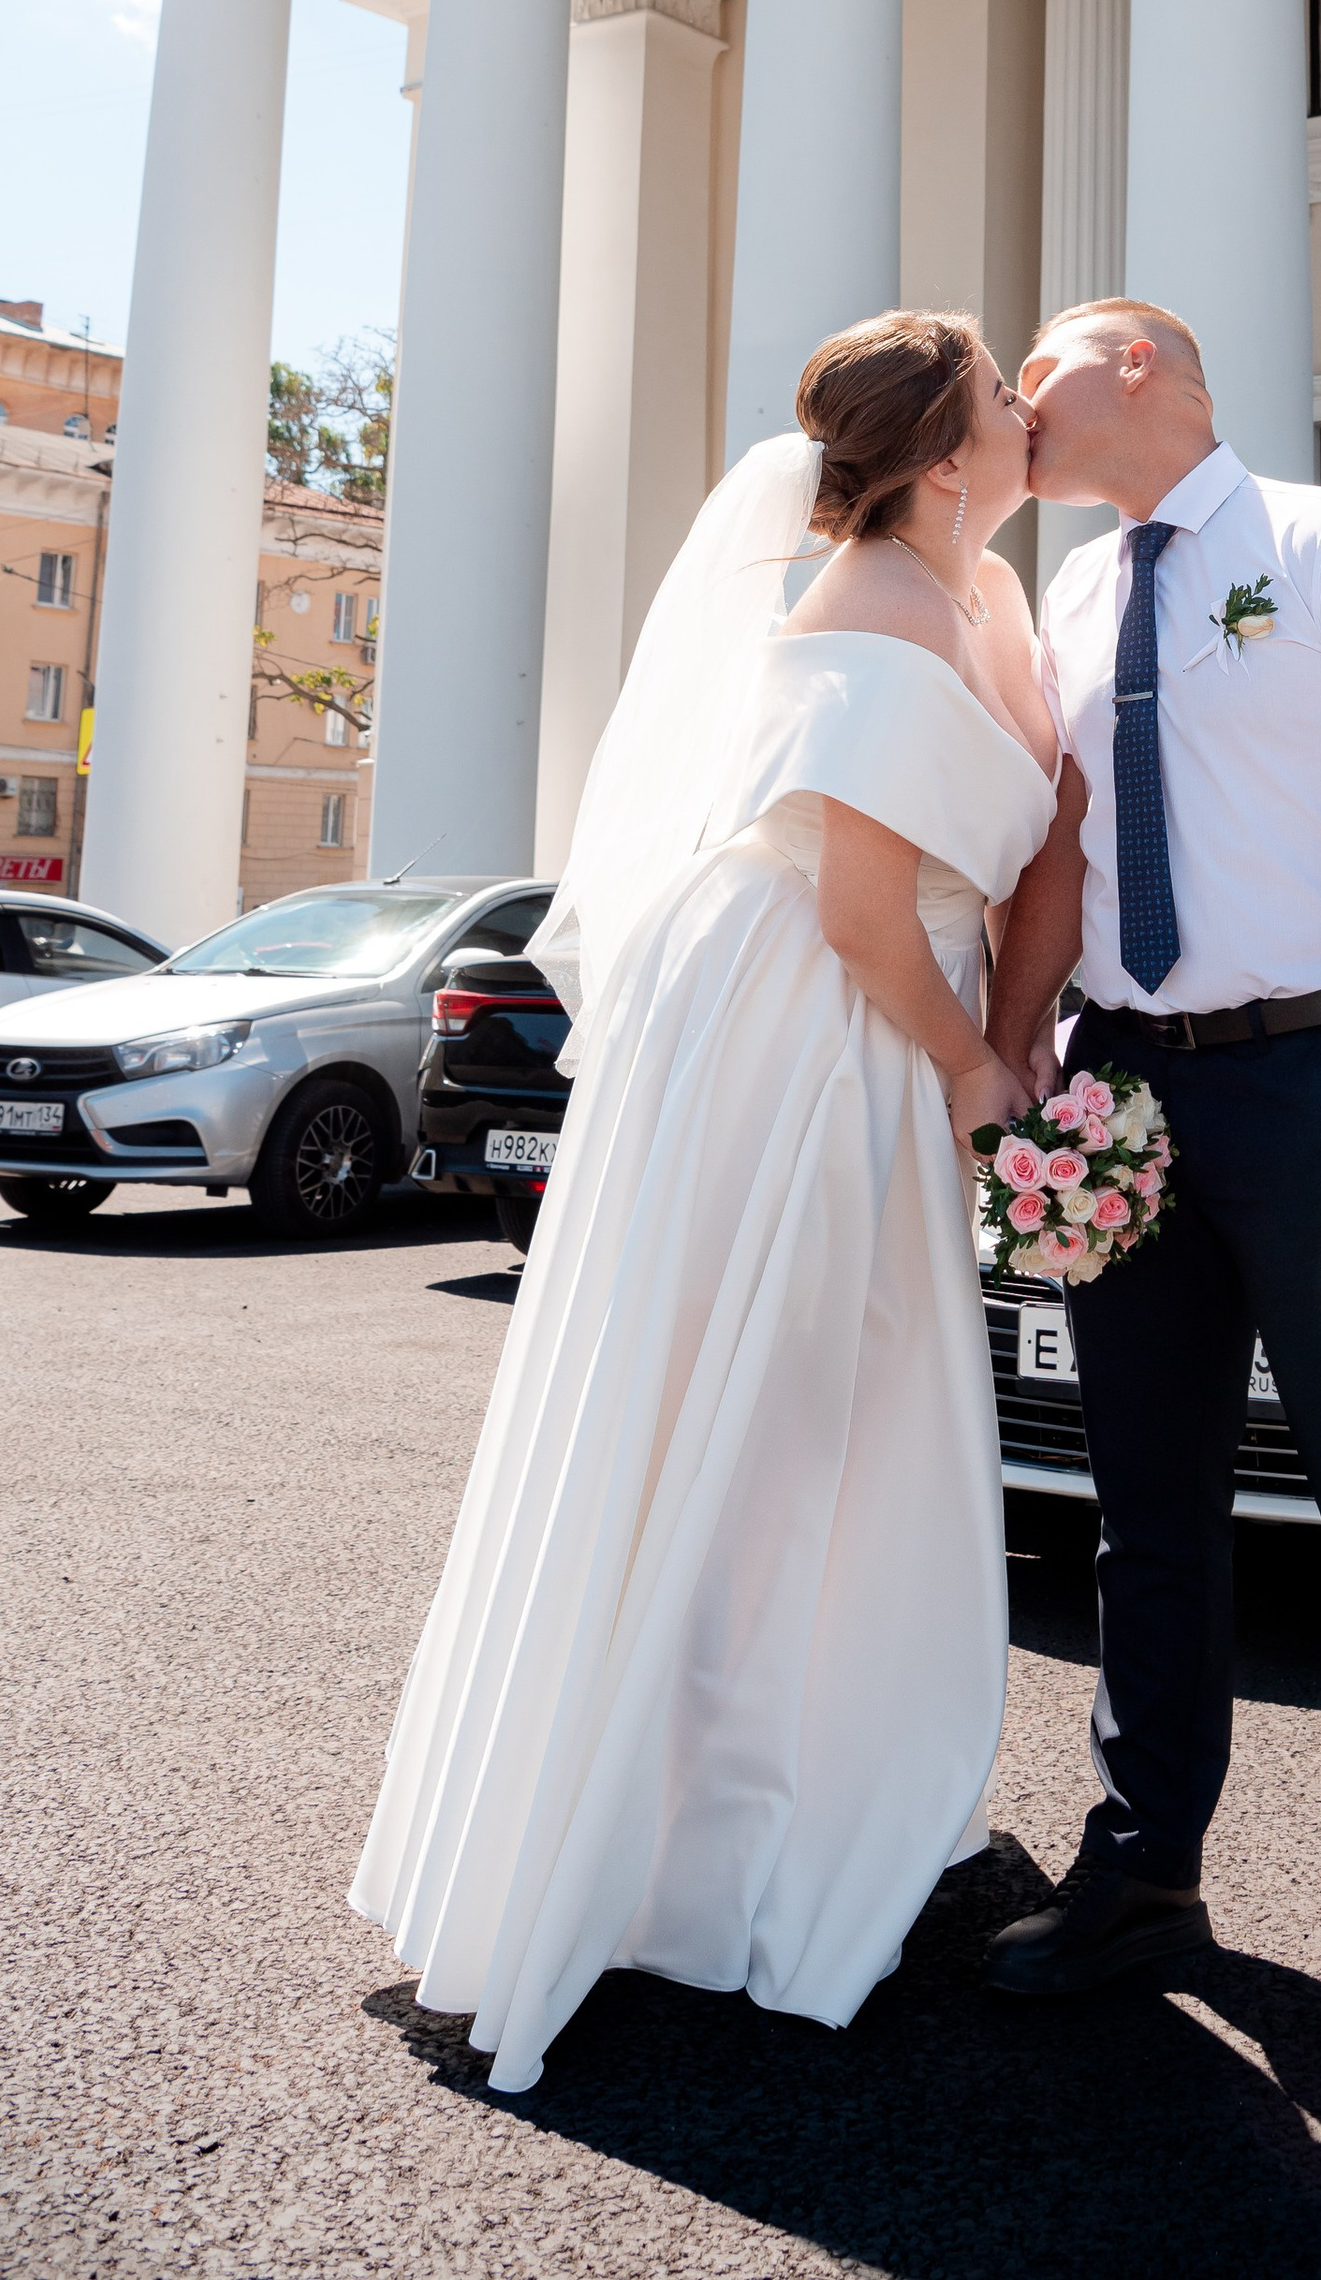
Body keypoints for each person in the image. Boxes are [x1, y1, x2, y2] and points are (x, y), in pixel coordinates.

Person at [350, 313, 1055, 2092]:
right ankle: (691, 1844)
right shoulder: (879, 609)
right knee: (776, 1414)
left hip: (855, 1015)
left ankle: (767, 1793)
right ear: (947, 457)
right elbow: (861, 910)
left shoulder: (970, 593)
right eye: (1002, 397)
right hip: (817, 1032)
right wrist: (978, 1068)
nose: (1031, 411)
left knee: (814, 1419)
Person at [983, 297, 1321, 2091]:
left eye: (1034, 373)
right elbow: (1065, 850)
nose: (1010, 407)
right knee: (1145, 1512)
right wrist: (1017, 1061)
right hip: (1128, 1094)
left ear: (1138, 362)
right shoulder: (1070, 597)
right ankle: (1147, 1874)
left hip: (1313, 1083)